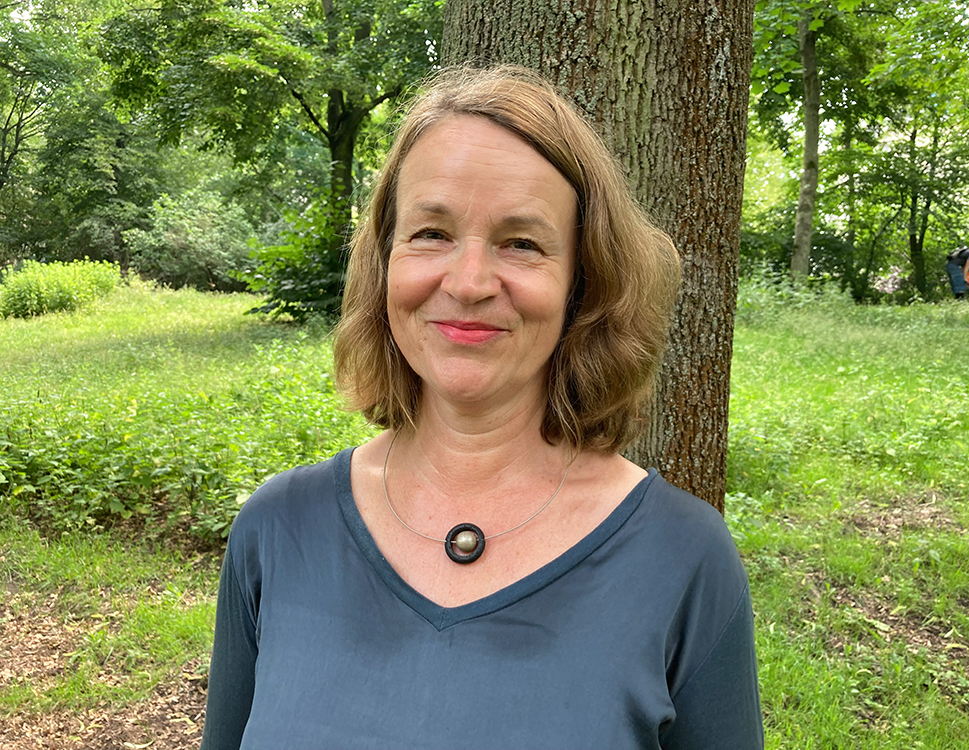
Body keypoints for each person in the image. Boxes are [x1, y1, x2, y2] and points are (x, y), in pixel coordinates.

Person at [200, 66, 763, 750]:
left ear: (583, 280)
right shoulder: (276, 530)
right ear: (384, 263)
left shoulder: (685, 559)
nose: (468, 284)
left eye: (522, 243)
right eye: (431, 233)